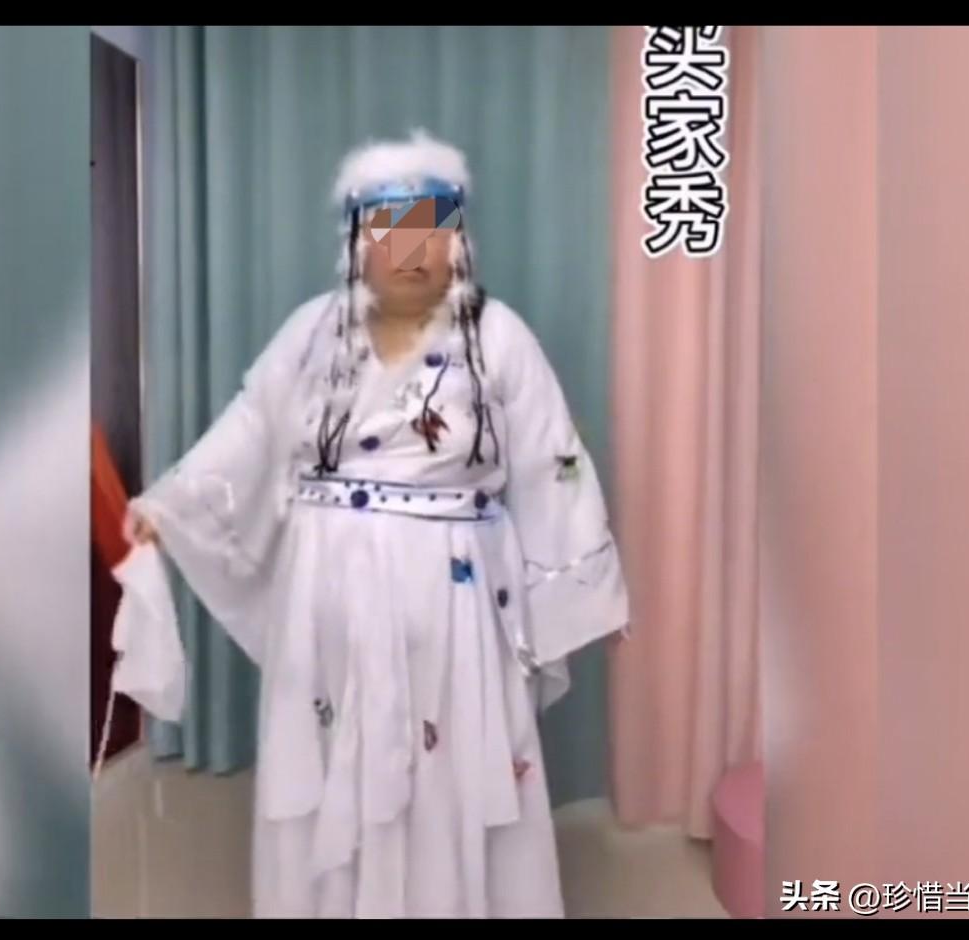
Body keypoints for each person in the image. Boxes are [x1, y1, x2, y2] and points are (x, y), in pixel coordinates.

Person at [122, 130, 631, 918]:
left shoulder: (498, 336)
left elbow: (550, 458)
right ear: (358, 241)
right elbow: (250, 428)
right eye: (390, 230)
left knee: (450, 760)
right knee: (334, 748)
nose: (411, 251)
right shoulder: (312, 331)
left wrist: (586, 586)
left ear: (458, 240)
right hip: (328, 591)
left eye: (431, 228)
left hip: (454, 596)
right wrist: (167, 505)